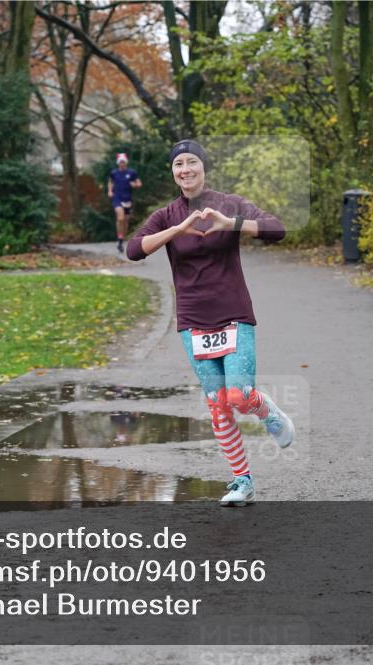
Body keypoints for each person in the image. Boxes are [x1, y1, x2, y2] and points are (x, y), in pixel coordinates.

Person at [126, 139, 294, 507]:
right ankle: (242, 481)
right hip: (192, 319)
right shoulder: (167, 215)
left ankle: (267, 411)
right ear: (173, 172)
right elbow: (134, 250)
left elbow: (277, 228)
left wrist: (229, 223)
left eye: (191, 162)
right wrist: (178, 230)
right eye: (178, 165)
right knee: (218, 403)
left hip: (233, 311)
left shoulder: (228, 203)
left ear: (204, 167)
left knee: (238, 395)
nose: (184, 169)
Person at [107, 153, 141, 253]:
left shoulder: (131, 173)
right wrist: (109, 191)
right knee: (120, 218)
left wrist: (134, 184)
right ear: (118, 163)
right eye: (120, 162)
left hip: (128, 199)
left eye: (123, 162)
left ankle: (121, 240)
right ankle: (119, 237)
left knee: (126, 221)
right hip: (117, 198)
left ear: (126, 162)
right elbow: (110, 181)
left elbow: (139, 183)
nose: (122, 164)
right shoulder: (114, 173)